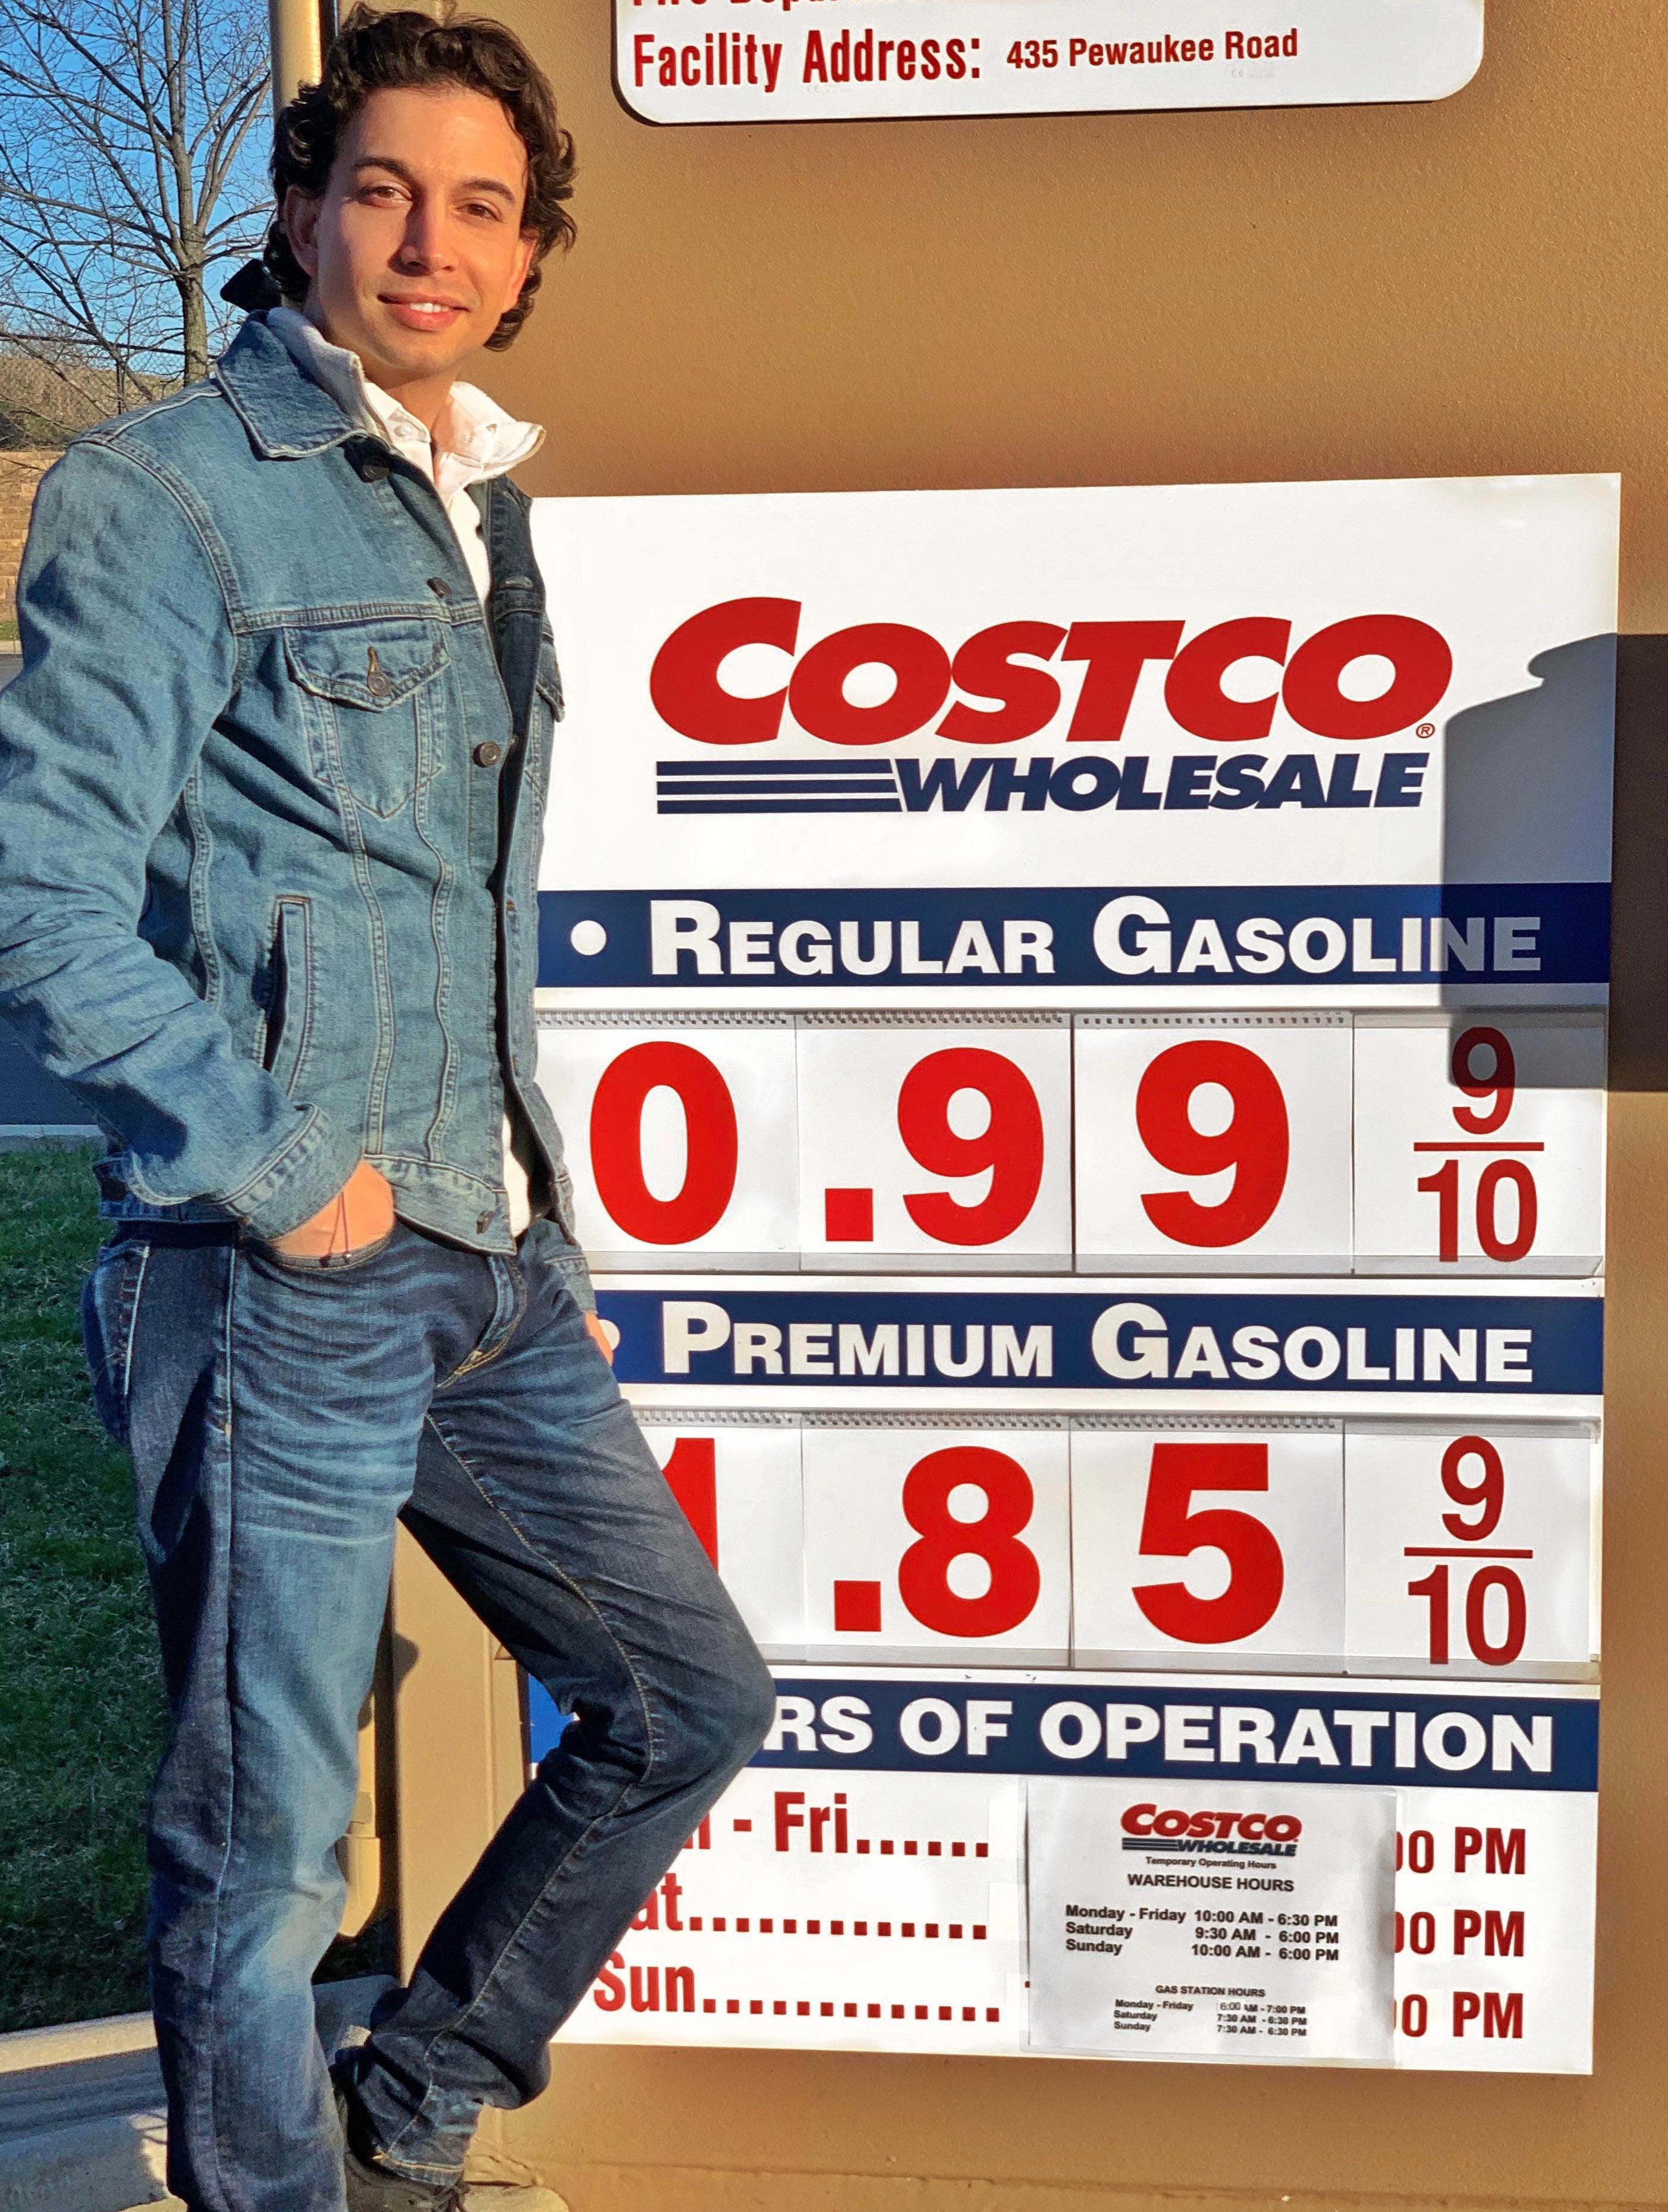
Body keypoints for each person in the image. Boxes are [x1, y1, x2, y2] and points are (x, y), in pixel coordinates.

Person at [0, 10, 775, 2208]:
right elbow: (39, 893)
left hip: (485, 1256)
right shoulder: (167, 492)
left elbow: (458, 905)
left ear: (526, 259)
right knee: (265, 1850)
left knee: (683, 1702)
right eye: (385, 190)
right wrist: (285, 1174)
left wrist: (534, 1213)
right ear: (303, 212)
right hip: (282, 1269)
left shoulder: (477, 502)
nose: (432, 241)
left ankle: (409, 2112)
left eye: (483, 208)